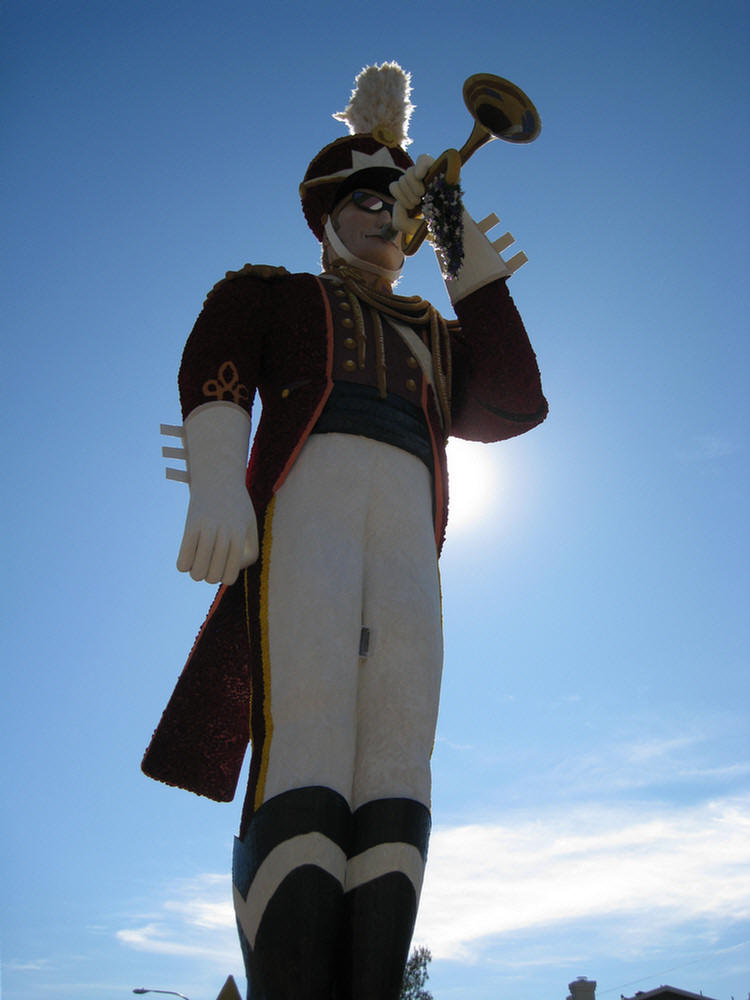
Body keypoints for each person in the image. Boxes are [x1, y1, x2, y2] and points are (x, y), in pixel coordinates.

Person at [143, 63, 547, 1000]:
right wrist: (216, 486)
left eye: (394, 203)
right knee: (312, 728)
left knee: (400, 744)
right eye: (363, 199)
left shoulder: (434, 337)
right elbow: (216, 371)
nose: (381, 216)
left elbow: (517, 401)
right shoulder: (275, 294)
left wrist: (455, 235)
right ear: (325, 214)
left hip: (409, 531)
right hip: (310, 513)